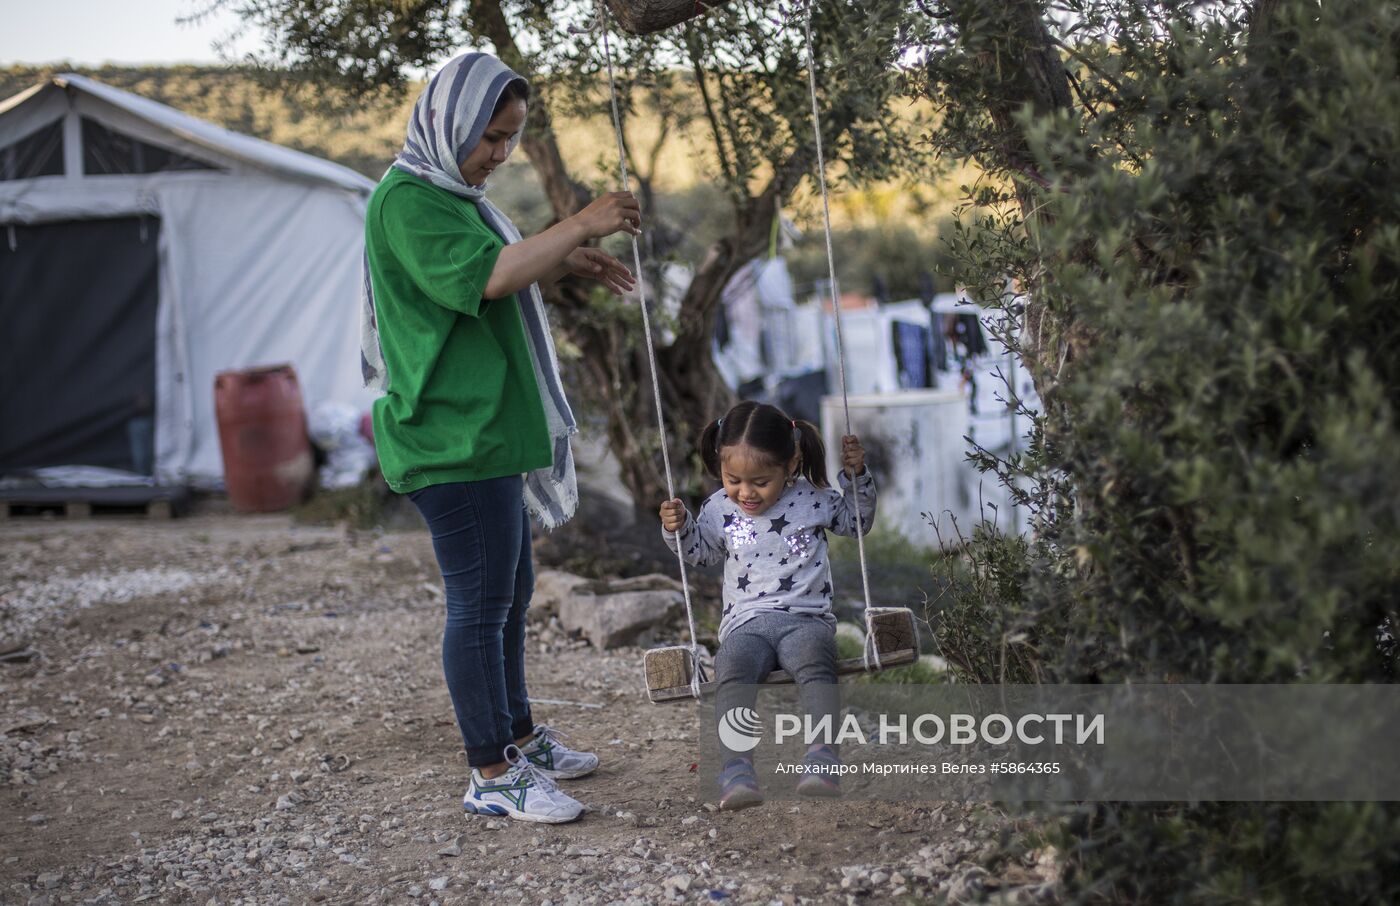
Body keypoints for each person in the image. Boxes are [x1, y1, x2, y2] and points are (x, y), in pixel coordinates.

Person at [361, 52, 641, 825]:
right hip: (451, 439)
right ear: (449, 123)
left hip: (485, 434)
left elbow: (494, 274)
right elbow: (486, 281)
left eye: (512, 138)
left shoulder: (453, 197)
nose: (499, 154)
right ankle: (490, 769)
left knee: (509, 595)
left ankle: (517, 737)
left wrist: (565, 259)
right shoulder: (408, 201)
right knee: (479, 606)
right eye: (490, 137)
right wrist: (580, 221)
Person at [659, 400, 875, 809]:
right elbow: (700, 553)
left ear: (791, 463)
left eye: (760, 481)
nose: (745, 492)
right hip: (747, 624)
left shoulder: (813, 499)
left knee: (816, 659)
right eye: (733, 479)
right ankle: (736, 770)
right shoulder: (719, 508)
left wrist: (856, 478)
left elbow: (857, 522)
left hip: (805, 619)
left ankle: (822, 758)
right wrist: (680, 527)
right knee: (732, 668)